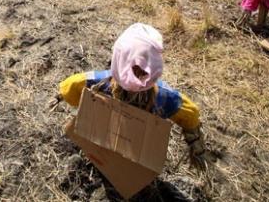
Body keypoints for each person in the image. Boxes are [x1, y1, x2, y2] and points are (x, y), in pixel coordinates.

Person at [59, 23, 207, 166]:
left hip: (101, 145)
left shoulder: (98, 83)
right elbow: (191, 115)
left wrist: (61, 97)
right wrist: (195, 143)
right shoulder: (164, 98)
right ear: (154, 67)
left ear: (117, 60)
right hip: (138, 156)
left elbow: (70, 88)